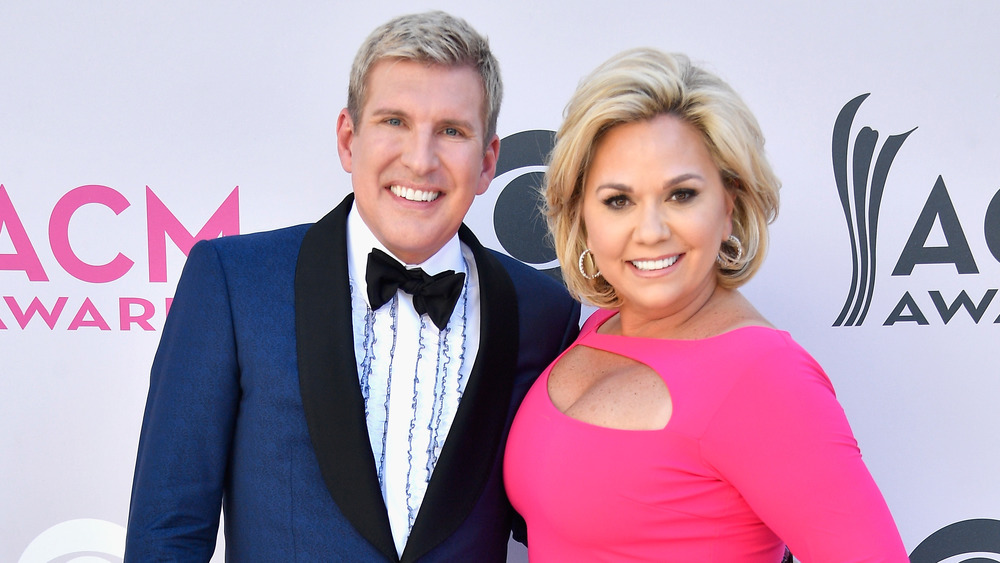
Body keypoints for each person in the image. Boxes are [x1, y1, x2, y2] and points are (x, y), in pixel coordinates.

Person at [124, 11, 580, 562]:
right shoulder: (233, 281)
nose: (420, 159)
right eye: (394, 121)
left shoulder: (545, 312)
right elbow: (168, 531)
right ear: (347, 139)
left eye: (452, 131)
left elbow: (564, 519)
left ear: (487, 163)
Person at [503, 48, 908, 562]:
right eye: (618, 200)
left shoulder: (765, 377)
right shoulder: (600, 328)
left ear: (729, 201)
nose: (650, 232)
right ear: (582, 214)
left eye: (681, 195)